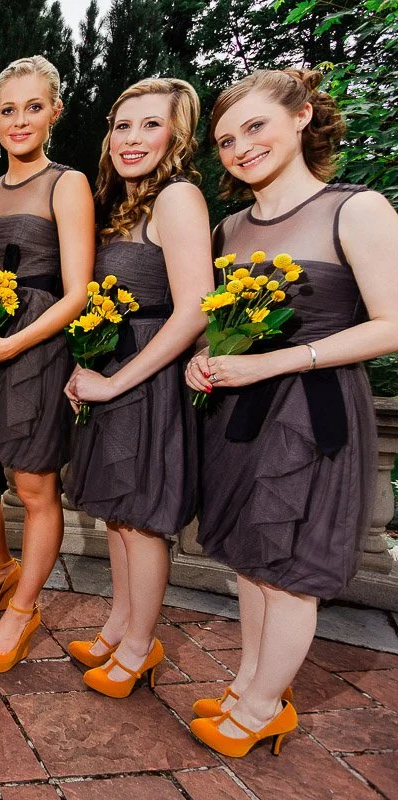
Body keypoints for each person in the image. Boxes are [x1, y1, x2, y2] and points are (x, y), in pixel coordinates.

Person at [184, 69, 398, 758]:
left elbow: (393, 325)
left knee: (290, 569)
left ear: (302, 115)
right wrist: (203, 357)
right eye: (226, 140)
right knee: (251, 561)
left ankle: (263, 709)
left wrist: (278, 362)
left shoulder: (355, 209)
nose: (241, 148)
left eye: (255, 127)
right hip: (239, 414)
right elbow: (220, 323)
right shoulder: (229, 228)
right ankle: (249, 684)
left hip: (312, 415)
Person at [62, 78, 212, 697]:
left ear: (177, 135)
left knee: (143, 519)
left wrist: (115, 381)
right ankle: (121, 626)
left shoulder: (178, 197)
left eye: (151, 125)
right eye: (123, 125)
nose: (132, 138)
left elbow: (196, 308)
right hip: (114, 372)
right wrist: (87, 367)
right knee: (120, 517)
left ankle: (139, 646)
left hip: (146, 381)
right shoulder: (126, 205)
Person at [0, 56, 95, 673]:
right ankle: (0, 565)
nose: (20, 120)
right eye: (8, 109)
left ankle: (23, 610)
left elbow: (78, 292)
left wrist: (10, 347)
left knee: (35, 487)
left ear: (54, 112)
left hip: (34, 349)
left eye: (33, 107)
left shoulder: (67, 183)